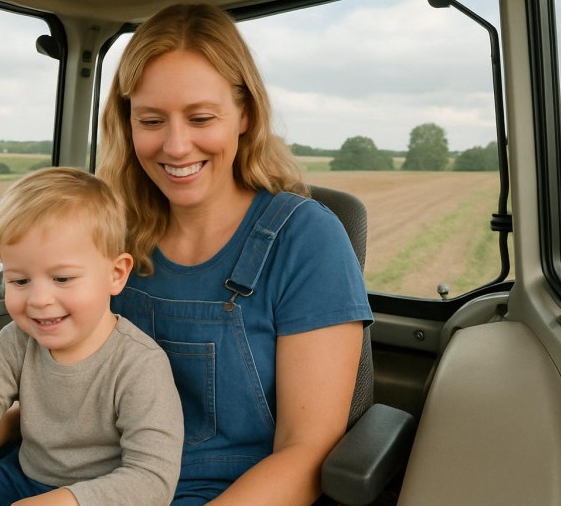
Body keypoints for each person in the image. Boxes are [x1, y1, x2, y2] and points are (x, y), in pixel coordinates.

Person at [96, 4, 373, 505]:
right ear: (128, 122)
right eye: (152, 120)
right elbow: (62, 384)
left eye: (201, 117)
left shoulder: (307, 240)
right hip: (98, 481)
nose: (176, 146)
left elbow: (306, 452)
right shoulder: (106, 231)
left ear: (245, 114)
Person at [0, 167, 184, 506]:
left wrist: (65, 501)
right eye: (20, 281)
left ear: (116, 274)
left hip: (97, 496)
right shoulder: (17, 339)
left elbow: (151, 479)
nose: (38, 300)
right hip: (20, 476)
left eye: (62, 279)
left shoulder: (140, 365)